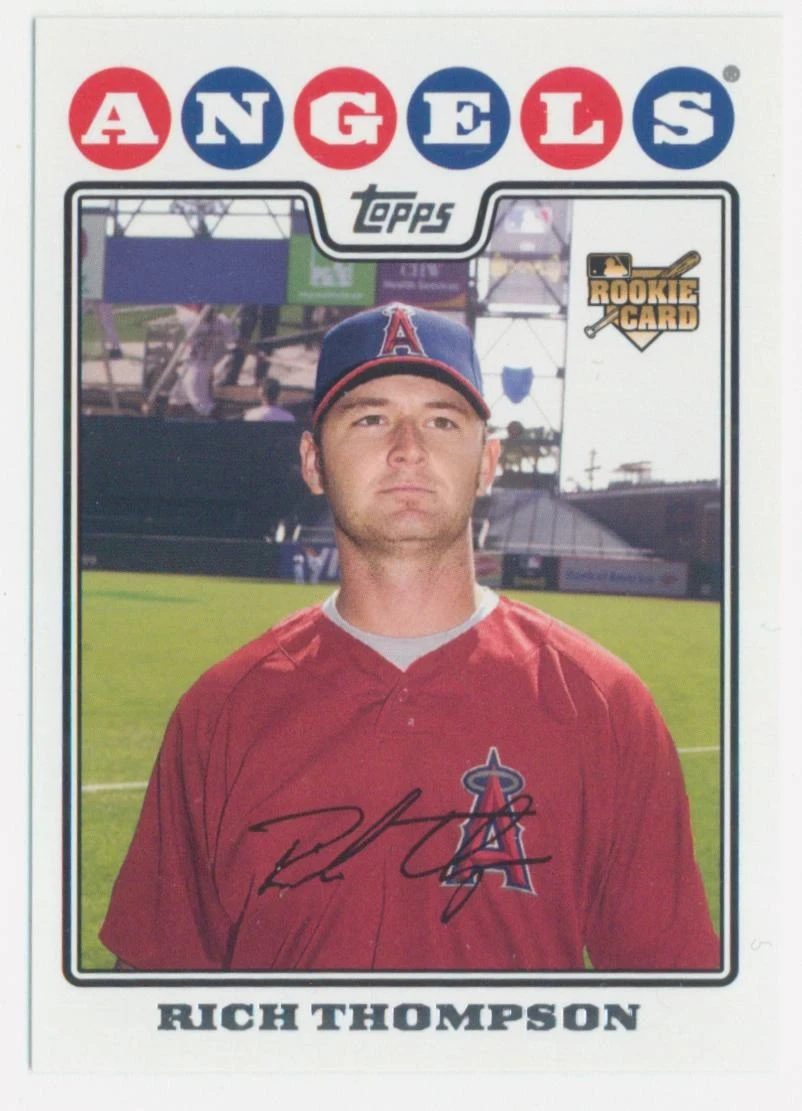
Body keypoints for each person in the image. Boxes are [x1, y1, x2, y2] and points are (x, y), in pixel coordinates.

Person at [101, 302, 719, 972]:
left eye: (441, 421)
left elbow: (671, 998)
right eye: (370, 419)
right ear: (313, 462)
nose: (407, 449)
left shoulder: (604, 704)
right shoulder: (221, 710)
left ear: (487, 462)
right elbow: (148, 996)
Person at [167, 304, 236, 418]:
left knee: (203, 406)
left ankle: (227, 421)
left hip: (197, 369)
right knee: (175, 400)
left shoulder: (217, 321)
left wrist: (258, 354)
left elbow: (237, 341)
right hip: (188, 367)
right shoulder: (194, 320)